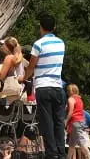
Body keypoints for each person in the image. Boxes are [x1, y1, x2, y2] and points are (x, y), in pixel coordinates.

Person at [24, 15, 66, 159]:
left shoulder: (38, 44)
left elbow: (31, 66)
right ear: (54, 27)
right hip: (57, 86)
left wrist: (24, 77)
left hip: (43, 86)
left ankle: (51, 153)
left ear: (40, 27)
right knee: (59, 121)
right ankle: (61, 153)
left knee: (47, 122)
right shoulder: (61, 43)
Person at [65, 84, 90, 159]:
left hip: (75, 122)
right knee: (72, 143)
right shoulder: (79, 99)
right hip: (80, 121)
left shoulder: (71, 99)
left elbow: (70, 112)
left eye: (68, 90)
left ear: (71, 91)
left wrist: (66, 121)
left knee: (81, 142)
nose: (67, 92)